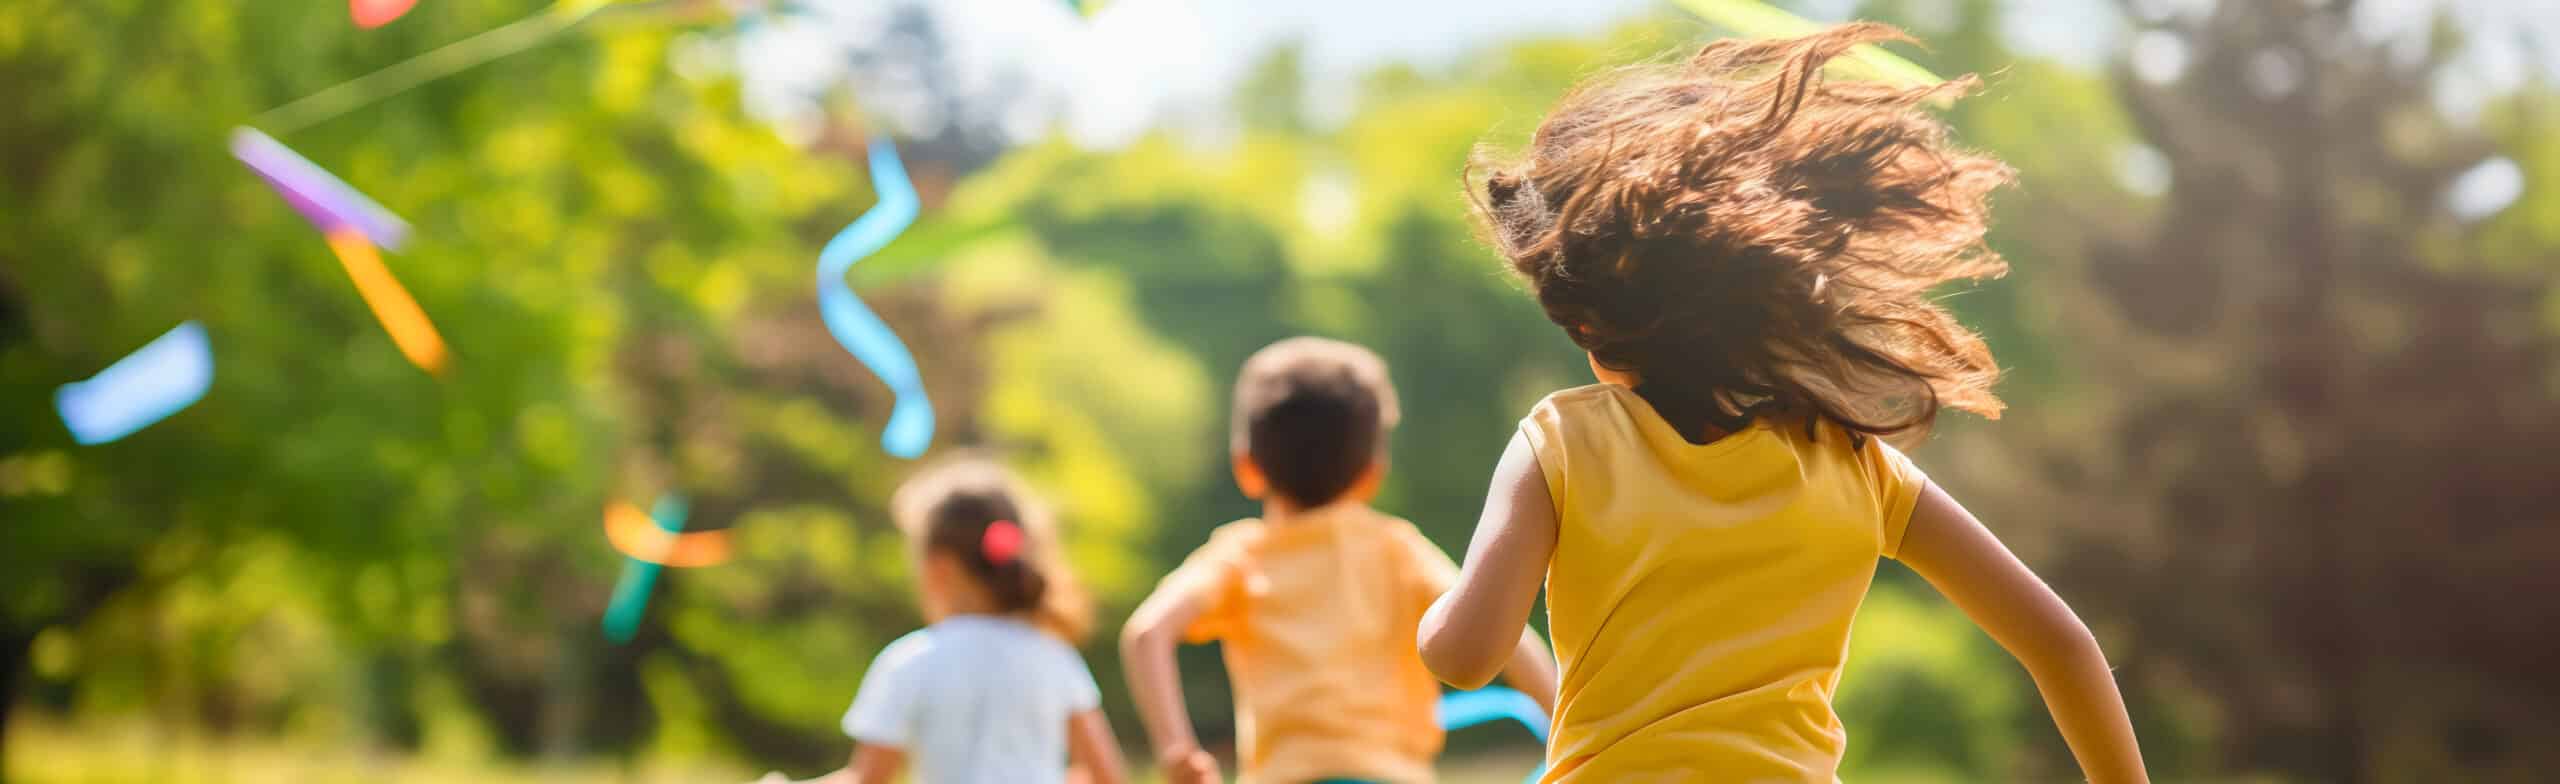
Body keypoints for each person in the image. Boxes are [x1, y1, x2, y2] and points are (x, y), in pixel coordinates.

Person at [1414, 23, 2149, 784]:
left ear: (1590, 323)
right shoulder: (1855, 461)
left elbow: (1467, 656)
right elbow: (2058, 642)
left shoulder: (1562, 440)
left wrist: (1430, 616)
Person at [1122, 337, 1561, 784]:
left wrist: (1178, 750)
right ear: (1372, 473)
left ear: (1247, 468)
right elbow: (1506, 635)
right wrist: (1570, 738)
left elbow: (1146, 633)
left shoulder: (1240, 555)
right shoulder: (1399, 549)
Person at [758, 457, 1128, 784]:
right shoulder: (1056, 659)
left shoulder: (911, 661)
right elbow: (1107, 775)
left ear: (940, 569)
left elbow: (867, 779)